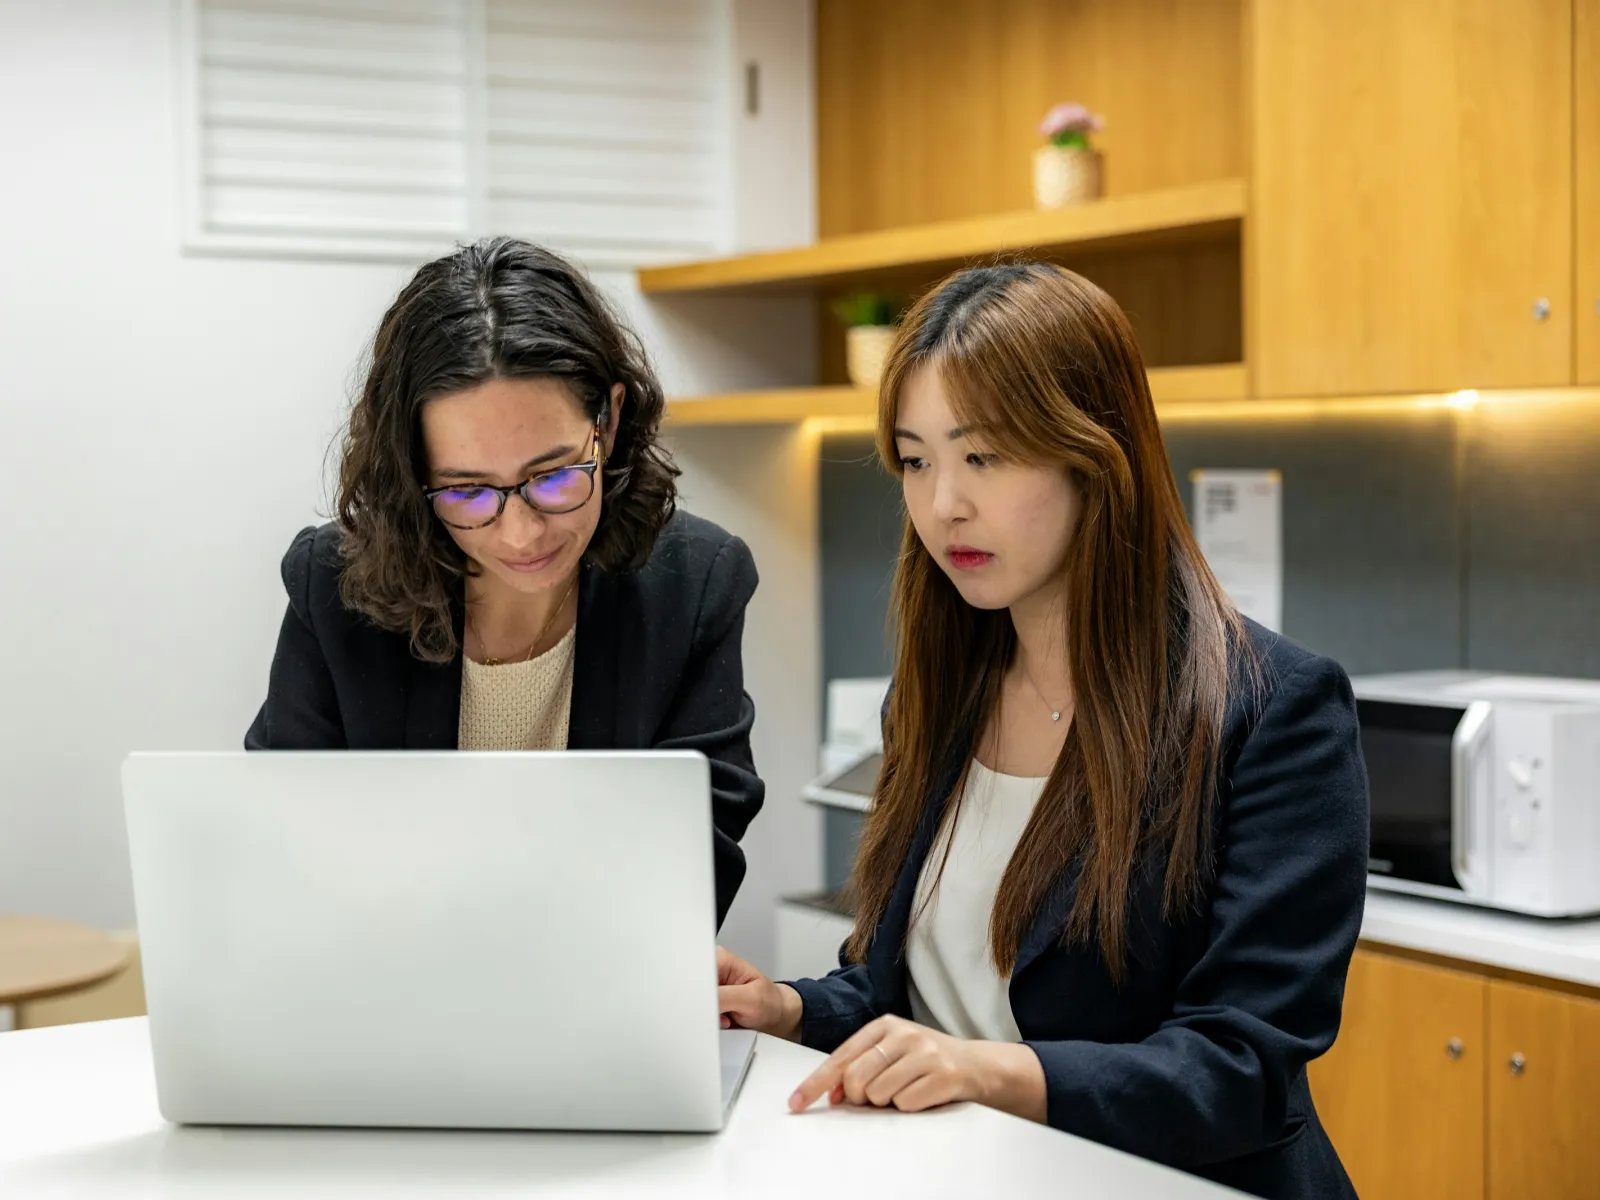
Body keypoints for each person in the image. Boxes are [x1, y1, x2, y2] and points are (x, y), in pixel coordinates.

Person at [716, 263, 1368, 1198]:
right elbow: (896, 992)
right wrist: (784, 1008)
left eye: (983, 457)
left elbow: (1242, 1070)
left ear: (1093, 454)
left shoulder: (1274, 712)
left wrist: (985, 1071)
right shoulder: (939, 695)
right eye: (915, 459)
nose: (944, 505)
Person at [246, 237, 763, 927]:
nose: (521, 534)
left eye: (553, 477)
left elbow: (690, 871)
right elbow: (280, 849)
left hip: (593, 997)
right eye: (467, 493)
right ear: (414, 473)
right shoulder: (334, 588)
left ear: (606, 421)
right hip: (375, 992)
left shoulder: (695, 585)